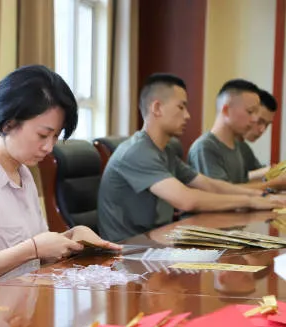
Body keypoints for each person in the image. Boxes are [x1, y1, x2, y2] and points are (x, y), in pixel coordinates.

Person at [0, 65, 119, 303]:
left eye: (55, 137)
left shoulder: (23, 172)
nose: (49, 147)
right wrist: (32, 249)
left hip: (17, 307)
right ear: (8, 124)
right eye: (43, 135)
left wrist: (74, 236)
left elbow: (37, 248)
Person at [97, 73, 285, 243]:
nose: (187, 115)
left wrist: (260, 196)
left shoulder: (164, 151)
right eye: (181, 107)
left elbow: (210, 184)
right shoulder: (137, 152)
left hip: (156, 242)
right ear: (157, 108)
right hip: (127, 251)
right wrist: (250, 201)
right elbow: (186, 200)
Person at [187, 79, 265, 184]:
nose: (255, 119)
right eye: (250, 112)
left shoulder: (238, 146)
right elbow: (223, 192)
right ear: (226, 110)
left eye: (256, 113)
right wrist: (273, 183)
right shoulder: (205, 148)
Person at [237, 89, 280, 183]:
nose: (262, 130)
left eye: (267, 124)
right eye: (260, 121)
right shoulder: (209, 146)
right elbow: (223, 186)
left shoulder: (244, 148)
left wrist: (274, 172)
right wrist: (265, 173)